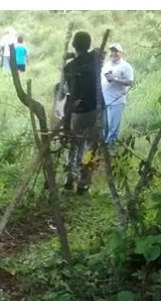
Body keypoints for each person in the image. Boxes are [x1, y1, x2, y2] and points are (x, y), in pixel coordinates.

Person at [60, 31, 100, 194]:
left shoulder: (69, 68)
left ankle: (70, 177)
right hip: (96, 109)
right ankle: (83, 183)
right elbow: (96, 52)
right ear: (89, 45)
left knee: (74, 144)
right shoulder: (96, 61)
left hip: (78, 110)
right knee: (91, 147)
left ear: (74, 45)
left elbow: (66, 92)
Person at [101, 43, 134, 145]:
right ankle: (105, 149)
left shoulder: (126, 66)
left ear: (121, 53)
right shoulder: (107, 65)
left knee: (113, 127)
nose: (113, 53)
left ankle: (111, 150)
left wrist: (115, 79)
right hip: (104, 100)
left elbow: (130, 82)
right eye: (112, 51)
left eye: (116, 51)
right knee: (105, 127)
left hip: (117, 101)